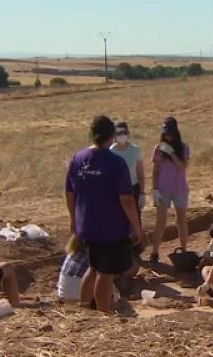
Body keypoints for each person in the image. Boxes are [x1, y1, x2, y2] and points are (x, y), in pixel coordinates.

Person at [65, 115, 142, 313]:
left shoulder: (78, 159)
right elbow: (126, 199)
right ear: (112, 136)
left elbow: (69, 193)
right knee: (106, 274)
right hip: (110, 228)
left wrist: (74, 219)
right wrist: (136, 226)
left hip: (86, 225)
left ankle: (84, 308)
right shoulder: (115, 163)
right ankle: (103, 313)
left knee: (92, 268)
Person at [150, 116, 191, 264]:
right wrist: (154, 189)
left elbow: (182, 167)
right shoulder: (158, 149)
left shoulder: (184, 147)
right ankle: (154, 252)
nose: (167, 136)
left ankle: (184, 251)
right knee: (160, 222)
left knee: (181, 221)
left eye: (170, 133)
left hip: (179, 188)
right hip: (163, 189)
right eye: (165, 133)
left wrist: (172, 153)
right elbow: (155, 171)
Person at [56, 246, 121, 305]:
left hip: (63, 295)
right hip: (78, 295)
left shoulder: (75, 248)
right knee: (115, 294)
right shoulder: (104, 249)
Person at [110, 121, 146, 221]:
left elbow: (140, 173)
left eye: (124, 132)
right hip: (117, 191)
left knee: (135, 221)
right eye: (118, 133)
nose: (121, 136)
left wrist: (142, 193)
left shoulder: (135, 150)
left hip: (133, 190)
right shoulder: (111, 151)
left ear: (128, 133)